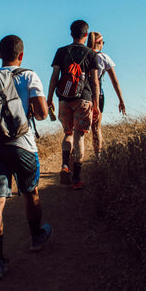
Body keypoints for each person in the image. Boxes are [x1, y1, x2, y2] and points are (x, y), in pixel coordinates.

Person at [0, 35, 52, 280]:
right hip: (22, 146)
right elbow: (42, 115)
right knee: (30, 192)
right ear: (21, 55)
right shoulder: (29, 75)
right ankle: (36, 238)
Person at [47, 20, 100, 189]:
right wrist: (96, 104)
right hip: (84, 99)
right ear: (86, 35)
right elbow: (94, 82)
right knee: (79, 136)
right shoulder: (91, 54)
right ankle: (77, 178)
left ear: (71, 34)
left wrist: (49, 99)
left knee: (68, 133)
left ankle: (64, 165)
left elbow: (54, 76)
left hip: (64, 99)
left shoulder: (61, 52)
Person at [87, 32, 126, 159]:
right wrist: (121, 100)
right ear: (99, 42)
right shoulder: (104, 57)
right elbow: (115, 81)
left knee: (78, 129)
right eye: (103, 43)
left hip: (83, 94)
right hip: (98, 95)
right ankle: (98, 157)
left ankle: (75, 160)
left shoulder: (84, 54)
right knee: (96, 127)